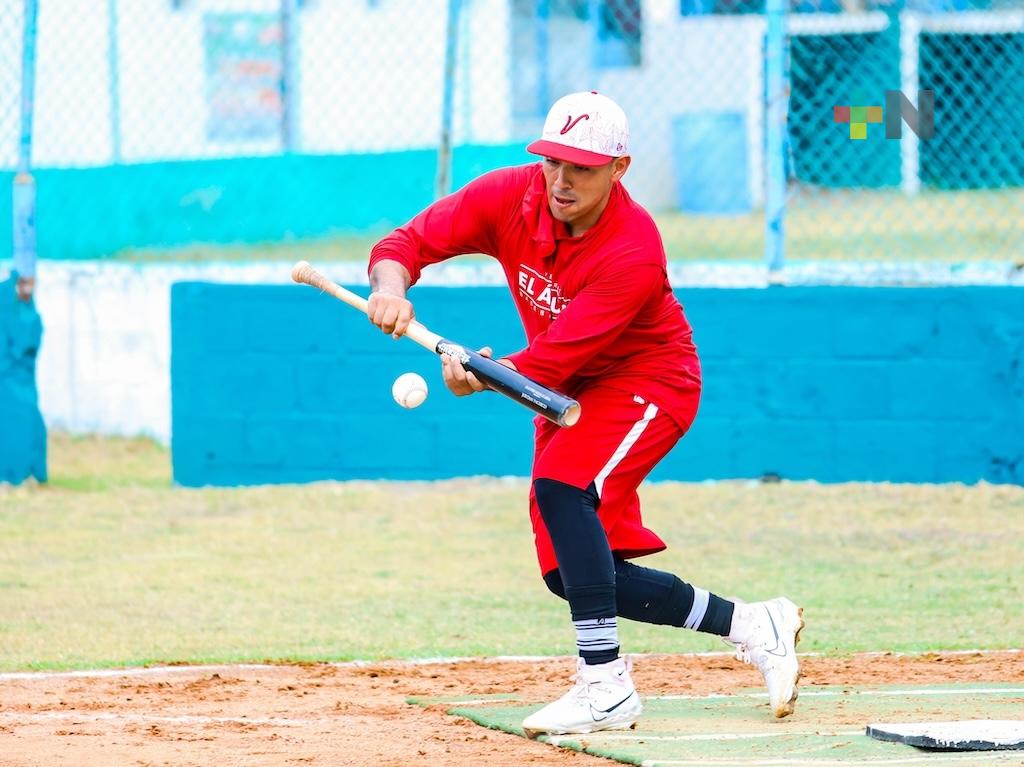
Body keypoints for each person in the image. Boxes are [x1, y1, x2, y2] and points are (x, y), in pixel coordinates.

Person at [365, 91, 804, 737]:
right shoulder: (508, 195)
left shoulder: (633, 249)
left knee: (562, 489)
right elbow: (405, 242)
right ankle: (753, 624)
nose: (562, 180)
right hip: (567, 388)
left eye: (583, 167)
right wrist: (389, 287)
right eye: (552, 163)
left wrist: (478, 373)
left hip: (648, 381)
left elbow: (547, 365)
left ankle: (606, 685)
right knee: (568, 572)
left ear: (619, 168)